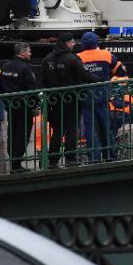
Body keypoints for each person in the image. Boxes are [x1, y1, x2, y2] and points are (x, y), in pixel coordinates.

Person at [41, 34, 97, 167]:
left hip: (54, 101)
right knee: (71, 129)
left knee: (58, 130)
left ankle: (53, 160)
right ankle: (70, 158)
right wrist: (100, 80)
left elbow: (43, 81)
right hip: (72, 100)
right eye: (72, 42)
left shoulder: (47, 59)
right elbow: (85, 75)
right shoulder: (72, 59)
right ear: (66, 43)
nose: (73, 44)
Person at [77, 32, 123, 162]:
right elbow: (120, 70)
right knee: (106, 126)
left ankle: (94, 158)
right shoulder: (106, 55)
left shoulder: (78, 57)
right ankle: (110, 155)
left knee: (90, 129)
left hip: (86, 98)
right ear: (96, 42)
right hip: (103, 96)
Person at [0, 43, 39, 172]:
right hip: (24, 108)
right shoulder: (25, 68)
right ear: (22, 53)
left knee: (12, 133)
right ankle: (16, 164)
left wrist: (6, 103)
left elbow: (0, 87)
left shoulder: (5, 67)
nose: (30, 54)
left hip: (11, 106)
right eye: (29, 51)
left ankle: (13, 161)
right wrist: (34, 106)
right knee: (23, 134)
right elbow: (32, 89)